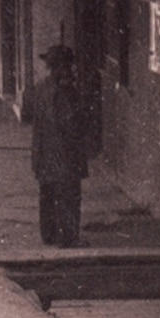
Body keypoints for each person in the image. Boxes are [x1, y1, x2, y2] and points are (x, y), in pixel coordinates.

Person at [20, 42, 93, 246]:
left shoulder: (41, 87)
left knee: (47, 195)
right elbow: (70, 124)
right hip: (64, 155)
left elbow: (31, 116)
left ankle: (49, 235)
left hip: (43, 153)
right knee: (68, 196)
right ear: (62, 67)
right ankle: (68, 238)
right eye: (68, 66)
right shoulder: (65, 92)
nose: (71, 69)